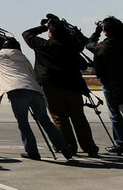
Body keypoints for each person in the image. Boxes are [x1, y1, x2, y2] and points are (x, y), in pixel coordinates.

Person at [0, 35, 72, 160]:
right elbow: (33, 73)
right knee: (45, 121)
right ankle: (64, 148)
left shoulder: (0, 55)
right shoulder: (23, 58)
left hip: (17, 91)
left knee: (23, 122)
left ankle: (32, 151)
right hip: (34, 90)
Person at [22, 17, 98, 157]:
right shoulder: (70, 48)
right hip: (73, 86)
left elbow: (27, 34)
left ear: (50, 34)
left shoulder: (43, 45)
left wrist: (44, 26)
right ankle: (89, 146)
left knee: (59, 117)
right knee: (79, 117)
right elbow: (82, 63)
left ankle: (68, 146)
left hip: (51, 86)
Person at [86, 16, 123, 155]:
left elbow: (89, 44)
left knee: (115, 115)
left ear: (105, 32)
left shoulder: (102, 48)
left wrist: (97, 31)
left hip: (112, 86)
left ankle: (120, 143)